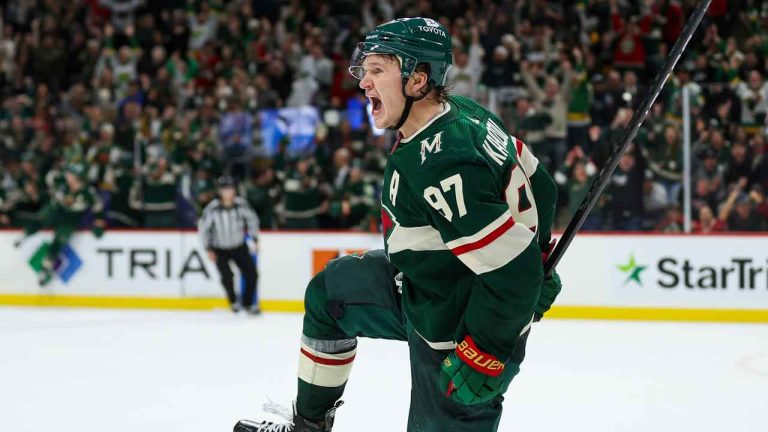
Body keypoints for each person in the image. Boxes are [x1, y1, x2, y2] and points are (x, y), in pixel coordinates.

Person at [235, 17, 561, 432]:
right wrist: (541, 254)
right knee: (331, 296)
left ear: (417, 79)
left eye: (377, 70)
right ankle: (309, 425)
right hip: (421, 286)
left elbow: (511, 272)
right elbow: (541, 185)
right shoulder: (462, 113)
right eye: (364, 70)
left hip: (458, 328)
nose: (364, 83)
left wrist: (488, 350)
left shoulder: (443, 162)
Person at [14, 163, 105, 286]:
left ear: (77, 177)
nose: (67, 175)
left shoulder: (87, 193)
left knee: (59, 242)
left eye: (71, 174)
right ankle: (25, 234)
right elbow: (48, 178)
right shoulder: (60, 180)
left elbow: (98, 207)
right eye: (67, 173)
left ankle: (45, 270)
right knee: (42, 218)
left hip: (70, 219)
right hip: (56, 209)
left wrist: (99, 223)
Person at [198, 176, 261, 314]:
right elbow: (204, 229)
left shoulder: (241, 204)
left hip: (239, 246)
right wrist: (208, 248)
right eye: (224, 189)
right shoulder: (213, 208)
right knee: (227, 277)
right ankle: (233, 301)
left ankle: (248, 303)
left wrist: (254, 239)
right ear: (219, 191)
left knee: (252, 274)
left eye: (230, 189)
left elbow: (252, 220)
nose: (228, 192)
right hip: (220, 248)